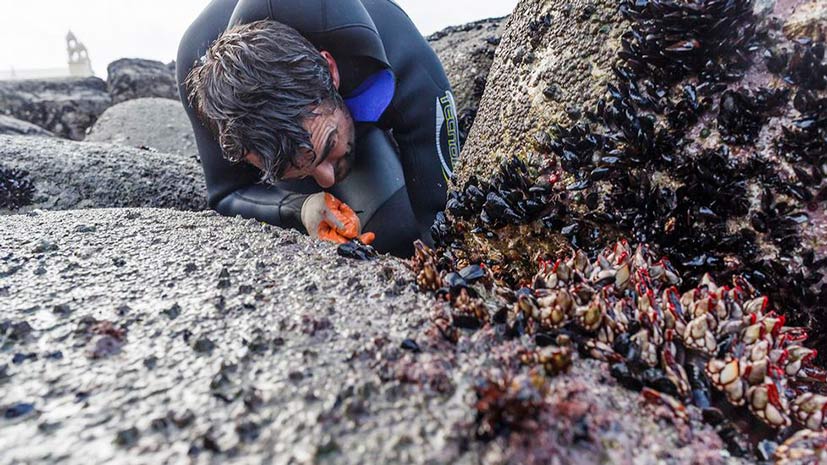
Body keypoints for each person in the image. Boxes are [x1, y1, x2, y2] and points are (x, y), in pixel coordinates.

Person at [177, 0, 461, 256]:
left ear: (331, 69)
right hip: (313, 134)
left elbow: (444, 208)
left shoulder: (394, 47)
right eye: (307, 167)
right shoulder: (199, 71)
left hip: (355, 90)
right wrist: (300, 208)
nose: (326, 181)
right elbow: (227, 192)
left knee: (399, 234)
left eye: (328, 146)